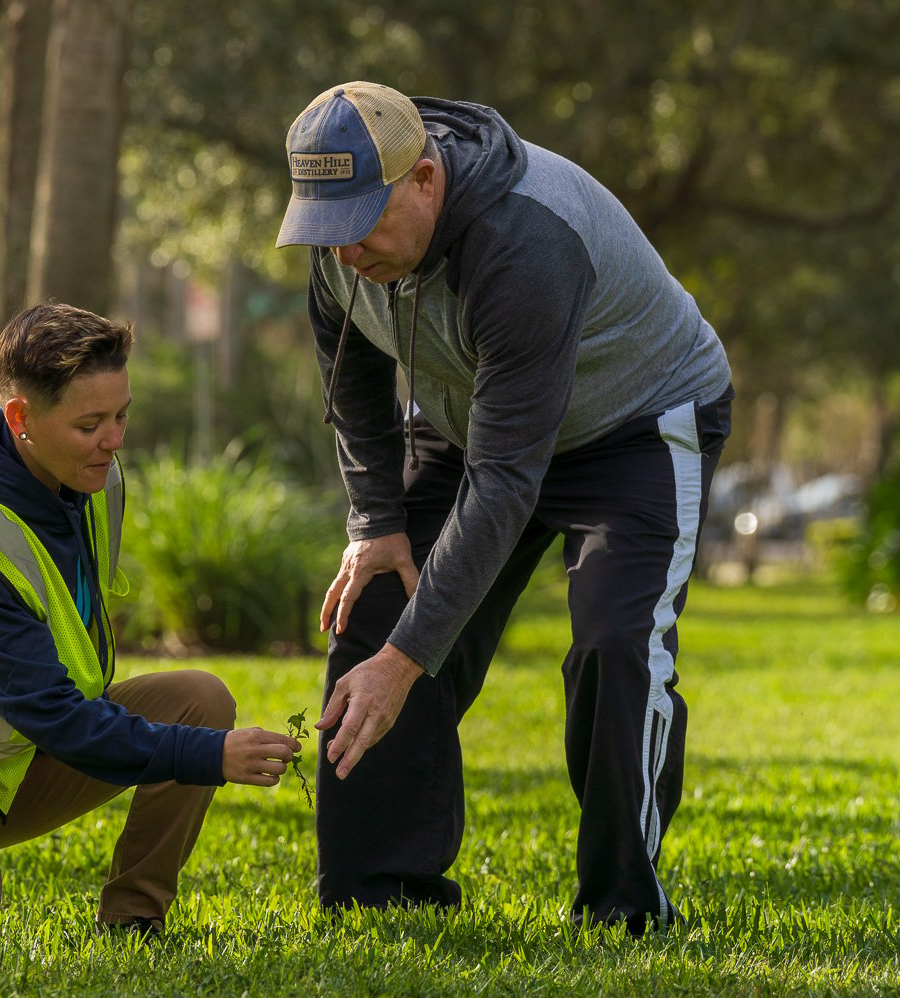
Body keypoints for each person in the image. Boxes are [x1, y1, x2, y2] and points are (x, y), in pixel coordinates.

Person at [276, 82, 734, 933]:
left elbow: (506, 482)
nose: (344, 254)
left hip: (633, 426)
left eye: (362, 225)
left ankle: (622, 907)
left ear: (423, 180)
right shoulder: (342, 237)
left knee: (614, 641)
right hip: (470, 421)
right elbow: (357, 389)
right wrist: (375, 523)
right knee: (376, 606)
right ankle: (380, 895)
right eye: (326, 230)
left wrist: (411, 657)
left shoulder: (525, 240)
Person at [0, 302, 299, 940]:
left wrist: (199, 739)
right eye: (90, 423)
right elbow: (54, 714)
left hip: (19, 758)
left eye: (122, 415)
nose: (114, 439)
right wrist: (209, 755)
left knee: (198, 699)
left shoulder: (83, 476)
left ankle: (134, 920)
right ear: (21, 418)